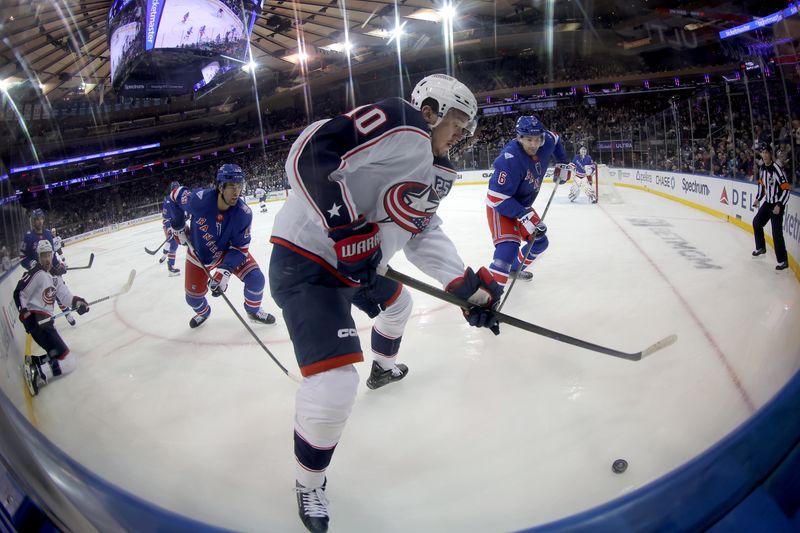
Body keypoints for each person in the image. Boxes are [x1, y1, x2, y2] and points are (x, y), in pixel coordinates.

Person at [268, 73, 501, 533]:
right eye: (458, 121)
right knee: (334, 386)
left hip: (358, 267)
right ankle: (307, 480)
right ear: (431, 108)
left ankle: (383, 368)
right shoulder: (404, 122)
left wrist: (467, 288)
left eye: (468, 128)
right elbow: (309, 155)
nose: (462, 134)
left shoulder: (438, 171)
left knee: (399, 306)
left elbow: (421, 233)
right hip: (308, 261)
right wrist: (348, 229)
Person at [164, 164, 276, 328]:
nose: (236, 191)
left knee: (256, 279)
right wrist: (177, 225)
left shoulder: (243, 214)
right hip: (198, 256)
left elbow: (240, 249)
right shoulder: (198, 200)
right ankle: (204, 312)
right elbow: (174, 195)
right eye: (231, 186)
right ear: (220, 187)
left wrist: (224, 271)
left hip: (226, 252)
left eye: (239, 185)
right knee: (192, 298)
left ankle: (253, 310)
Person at [485, 115, 570, 286]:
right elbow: (496, 197)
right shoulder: (509, 159)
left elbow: (556, 138)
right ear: (519, 137)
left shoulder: (545, 142)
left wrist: (563, 163)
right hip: (501, 206)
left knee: (540, 242)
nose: (534, 144)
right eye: (529, 139)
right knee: (508, 248)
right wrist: (525, 215)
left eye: (537, 139)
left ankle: (514, 269)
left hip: (522, 205)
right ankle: (489, 295)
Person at [14, 240, 90, 396]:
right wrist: (25, 313)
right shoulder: (36, 272)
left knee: (57, 353)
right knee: (69, 361)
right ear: (39, 257)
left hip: (46, 324)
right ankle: (38, 374)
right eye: (44, 256)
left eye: (49, 255)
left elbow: (66, 296)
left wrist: (78, 303)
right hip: (39, 323)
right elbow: (19, 292)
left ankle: (35, 362)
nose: (47, 259)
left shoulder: (55, 276)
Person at [18, 209, 76, 326]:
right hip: (38, 274)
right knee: (45, 297)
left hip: (50, 270)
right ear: (33, 221)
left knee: (58, 293)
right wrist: (31, 264)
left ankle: (67, 313)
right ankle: (48, 320)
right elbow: (22, 258)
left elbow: (53, 254)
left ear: (43, 219)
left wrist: (58, 265)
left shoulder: (48, 233)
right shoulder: (28, 238)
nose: (39, 221)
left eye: (40, 219)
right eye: (36, 219)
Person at [751, 142, 790, 270]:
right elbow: (761, 185)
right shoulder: (762, 169)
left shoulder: (777, 169)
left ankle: (783, 261)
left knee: (776, 233)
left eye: (767, 152)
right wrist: (758, 198)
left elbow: (786, 189)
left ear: (771, 154)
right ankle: (761, 247)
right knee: (757, 222)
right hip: (768, 203)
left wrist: (779, 204)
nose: (764, 155)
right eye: (762, 153)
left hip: (777, 204)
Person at [159, 181, 183, 276]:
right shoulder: (168, 201)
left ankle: (169, 263)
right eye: (175, 189)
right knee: (172, 242)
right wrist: (169, 228)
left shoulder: (180, 199)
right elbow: (165, 218)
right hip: (169, 226)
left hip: (177, 225)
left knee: (175, 243)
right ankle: (170, 266)